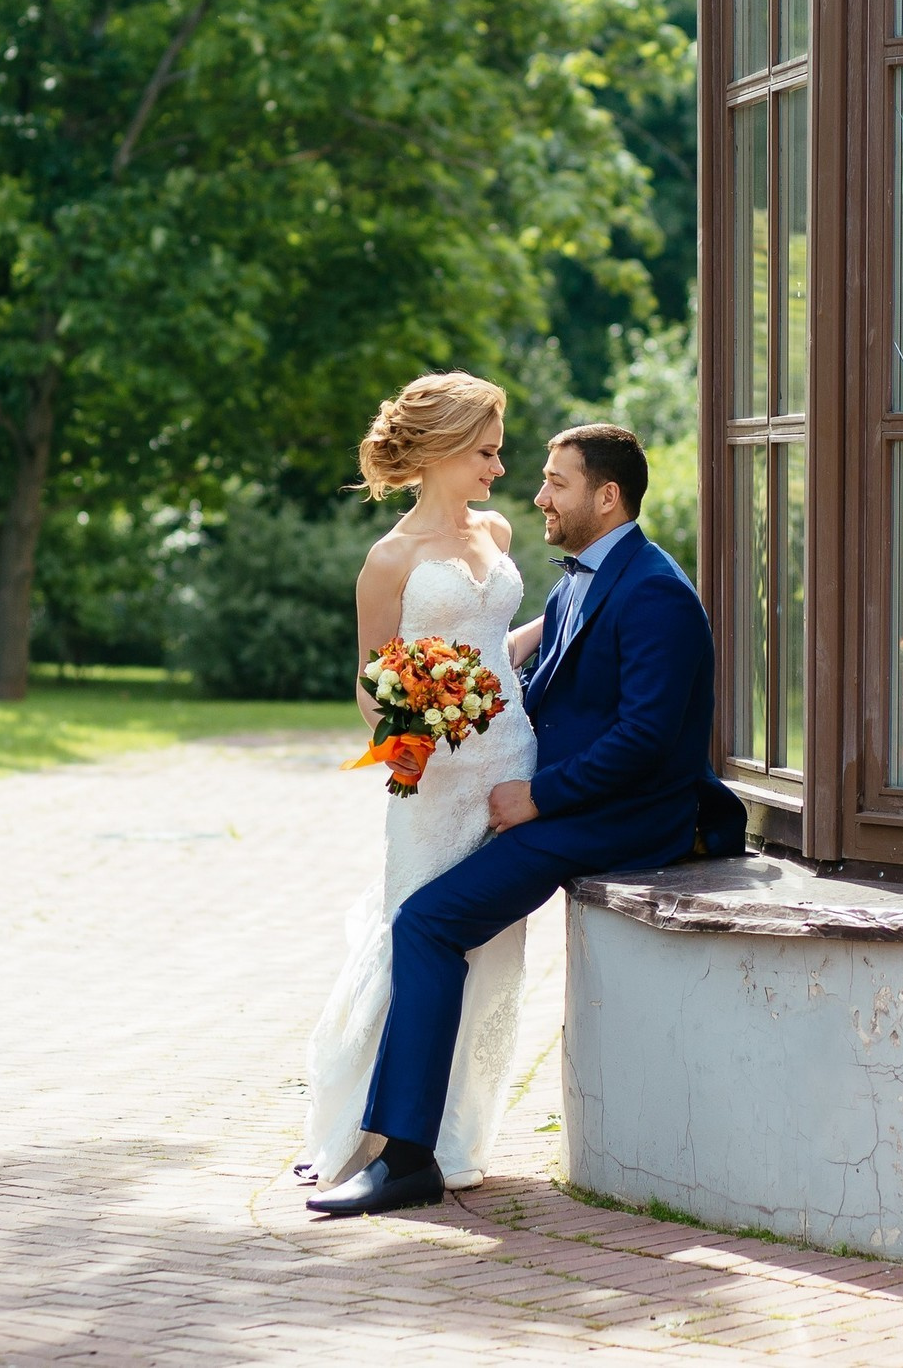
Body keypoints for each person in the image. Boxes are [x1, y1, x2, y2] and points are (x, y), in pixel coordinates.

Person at [306, 419, 746, 1218]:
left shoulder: (656, 593)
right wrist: (433, 707)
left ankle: (409, 1159)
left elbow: (647, 740)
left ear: (606, 498)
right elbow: (532, 668)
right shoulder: (582, 573)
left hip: (627, 815)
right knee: (429, 921)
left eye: (558, 482)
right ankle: (408, 1147)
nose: (537, 493)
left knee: (427, 924)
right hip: (546, 794)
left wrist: (539, 796)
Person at [299, 372, 537, 1192]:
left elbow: (499, 643)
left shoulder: (498, 533)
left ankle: (458, 1130)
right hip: (431, 781)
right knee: (415, 938)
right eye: (485, 452)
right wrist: (408, 731)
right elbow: (369, 685)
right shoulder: (389, 558)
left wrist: (583, 613)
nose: (497, 470)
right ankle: (372, 1131)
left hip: (510, 762)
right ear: (438, 452)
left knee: (493, 949)